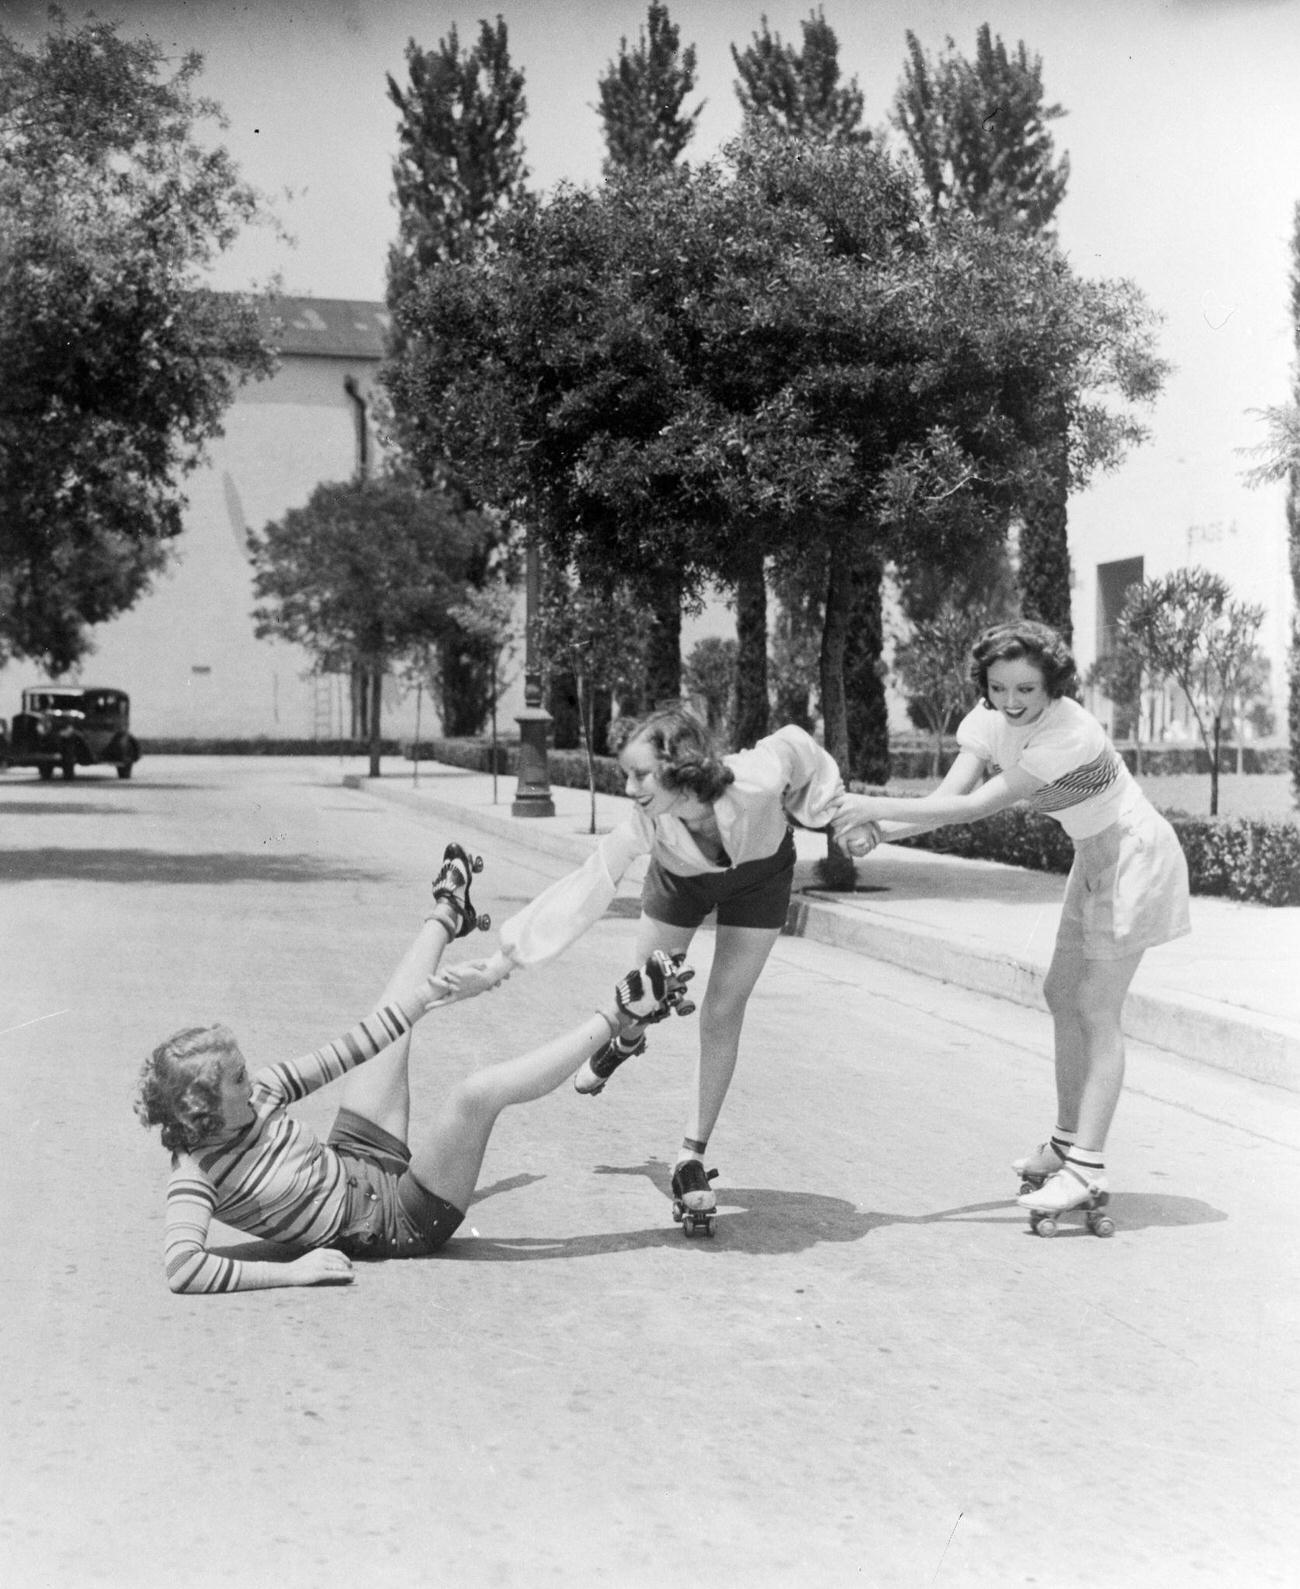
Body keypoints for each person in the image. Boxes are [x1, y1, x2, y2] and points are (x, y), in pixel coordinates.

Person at [135, 843, 695, 1294]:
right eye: (235, 1078)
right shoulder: (196, 1177)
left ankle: (447, 911)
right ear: (201, 1111)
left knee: (387, 1019)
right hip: (400, 1220)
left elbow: (357, 1044)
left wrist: (435, 996)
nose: (251, 1077)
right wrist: (291, 1271)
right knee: (475, 1095)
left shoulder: (259, 1093)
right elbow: (184, 1268)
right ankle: (623, 1008)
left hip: (356, 1155)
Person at [833, 619, 1191, 1227]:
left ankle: (1087, 1166)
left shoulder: (1070, 733)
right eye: (1000, 688)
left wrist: (869, 804)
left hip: (1136, 856)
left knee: (1098, 1009)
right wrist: (882, 832)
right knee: (1061, 994)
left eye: (1027, 688)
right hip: (1093, 856)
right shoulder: (989, 722)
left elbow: (976, 807)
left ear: (1052, 684)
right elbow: (946, 801)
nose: (1013, 701)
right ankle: (1064, 1137)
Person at [471, 708, 846, 1228]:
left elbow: (798, 742)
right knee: (636, 1001)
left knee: (722, 1008)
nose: (628, 786)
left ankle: (690, 1155)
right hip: (679, 880)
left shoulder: (755, 776)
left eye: (640, 774)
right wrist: (504, 958)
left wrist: (831, 806)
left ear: (681, 765)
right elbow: (590, 882)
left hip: (761, 876)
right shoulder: (646, 821)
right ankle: (623, 1043)